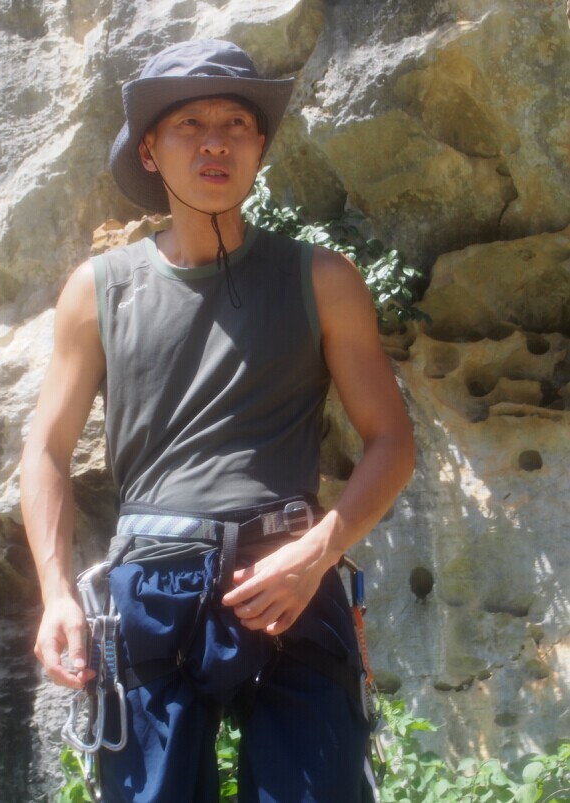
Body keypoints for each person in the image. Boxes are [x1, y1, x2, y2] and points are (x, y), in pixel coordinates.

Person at [21, 39, 415, 803]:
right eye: (189, 124)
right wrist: (56, 593)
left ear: (259, 146)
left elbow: (391, 440)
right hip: (149, 581)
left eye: (236, 123)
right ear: (149, 149)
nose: (215, 142)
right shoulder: (97, 290)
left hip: (288, 572)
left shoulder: (322, 279)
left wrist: (318, 551)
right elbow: (44, 449)